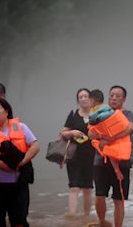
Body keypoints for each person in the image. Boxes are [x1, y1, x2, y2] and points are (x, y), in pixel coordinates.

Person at [0, 98, 39, 227]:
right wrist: (4, 166)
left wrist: (22, 162)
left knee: (19, 222)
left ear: (6, 111)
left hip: (18, 184)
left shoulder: (21, 127)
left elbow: (35, 146)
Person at [88, 85, 133, 227]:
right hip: (100, 160)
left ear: (124, 99)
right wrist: (102, 135)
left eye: (118, 96)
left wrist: (110, 138)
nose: (114, 98)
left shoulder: (128, 114)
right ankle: (102, 222)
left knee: (118, 199)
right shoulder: (98, 112)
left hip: (122, 161)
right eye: (112, 95)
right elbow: (90, 134)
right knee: (99, 195)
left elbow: (130, 128)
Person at [59, 88, 96, 218]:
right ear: (78, 100)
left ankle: (86, 216)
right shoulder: (73, 114)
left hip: (92, 156)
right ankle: (72, 215)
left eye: (86, 96)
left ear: (91, 99)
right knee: (74, 187)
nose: (84, 98)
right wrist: (72, 133)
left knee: (87, 188)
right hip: (74, 155)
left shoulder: (96, 114)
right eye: (81, 97)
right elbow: (62, 133)